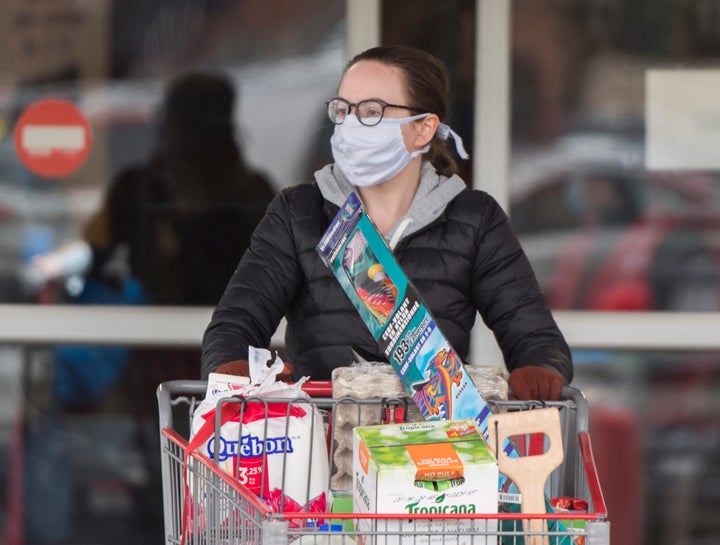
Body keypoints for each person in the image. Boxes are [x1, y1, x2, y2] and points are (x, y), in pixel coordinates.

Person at [201, 45, 572, 400]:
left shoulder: (474, 219)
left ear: (424, 129)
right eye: (343, 110)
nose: (352, 125)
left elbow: (535, 335)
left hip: (432, 451)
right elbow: (235, 324)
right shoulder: (299, 212)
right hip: (320, 445)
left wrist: (540, 368)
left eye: (372, 110)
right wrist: (232, 366)